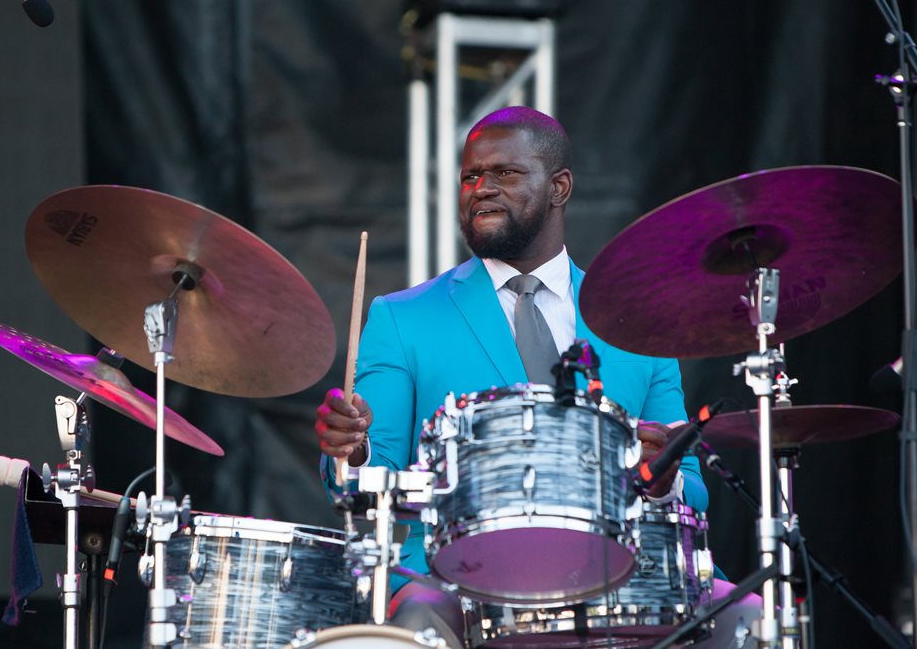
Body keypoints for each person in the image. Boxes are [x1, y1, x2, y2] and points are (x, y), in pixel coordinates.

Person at [315, 106, 757, 648]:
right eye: (471, 176)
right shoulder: (401, 317)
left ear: (559, 187)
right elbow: (363, 479)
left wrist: (663, 483)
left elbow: (692, 485)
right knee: (415, 623)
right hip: (455, 578)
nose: (481, 188)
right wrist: (351, 450)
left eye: (505, 173)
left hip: (618, 578)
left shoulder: (637, 323)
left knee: (750, 617)